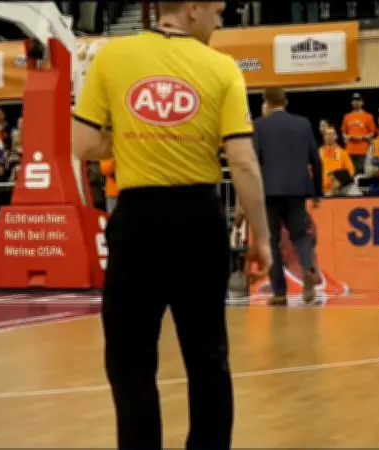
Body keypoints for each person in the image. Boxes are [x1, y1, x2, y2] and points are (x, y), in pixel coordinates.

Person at [70, 2, 272, 449]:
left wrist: (124, 139)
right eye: (218, 10)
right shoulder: (222, 68)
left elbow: (82, 144)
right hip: (198, 221)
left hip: (138, 220)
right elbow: (242, 161)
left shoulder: (111, 57)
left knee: (130, 359)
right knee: (208, 358)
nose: (222, 21)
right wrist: (262, 236)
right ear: (193, 9)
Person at [252, 86, 322, 306]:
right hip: (297, 190)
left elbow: (253, 162)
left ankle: (280, 293)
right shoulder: (302, 123)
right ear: (285, 101)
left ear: (266, 103)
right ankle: (308, 271)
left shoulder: (259, 126)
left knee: (272, 241)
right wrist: (317, 191)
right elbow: (315, 159)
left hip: (269, 192)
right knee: (300, 236)